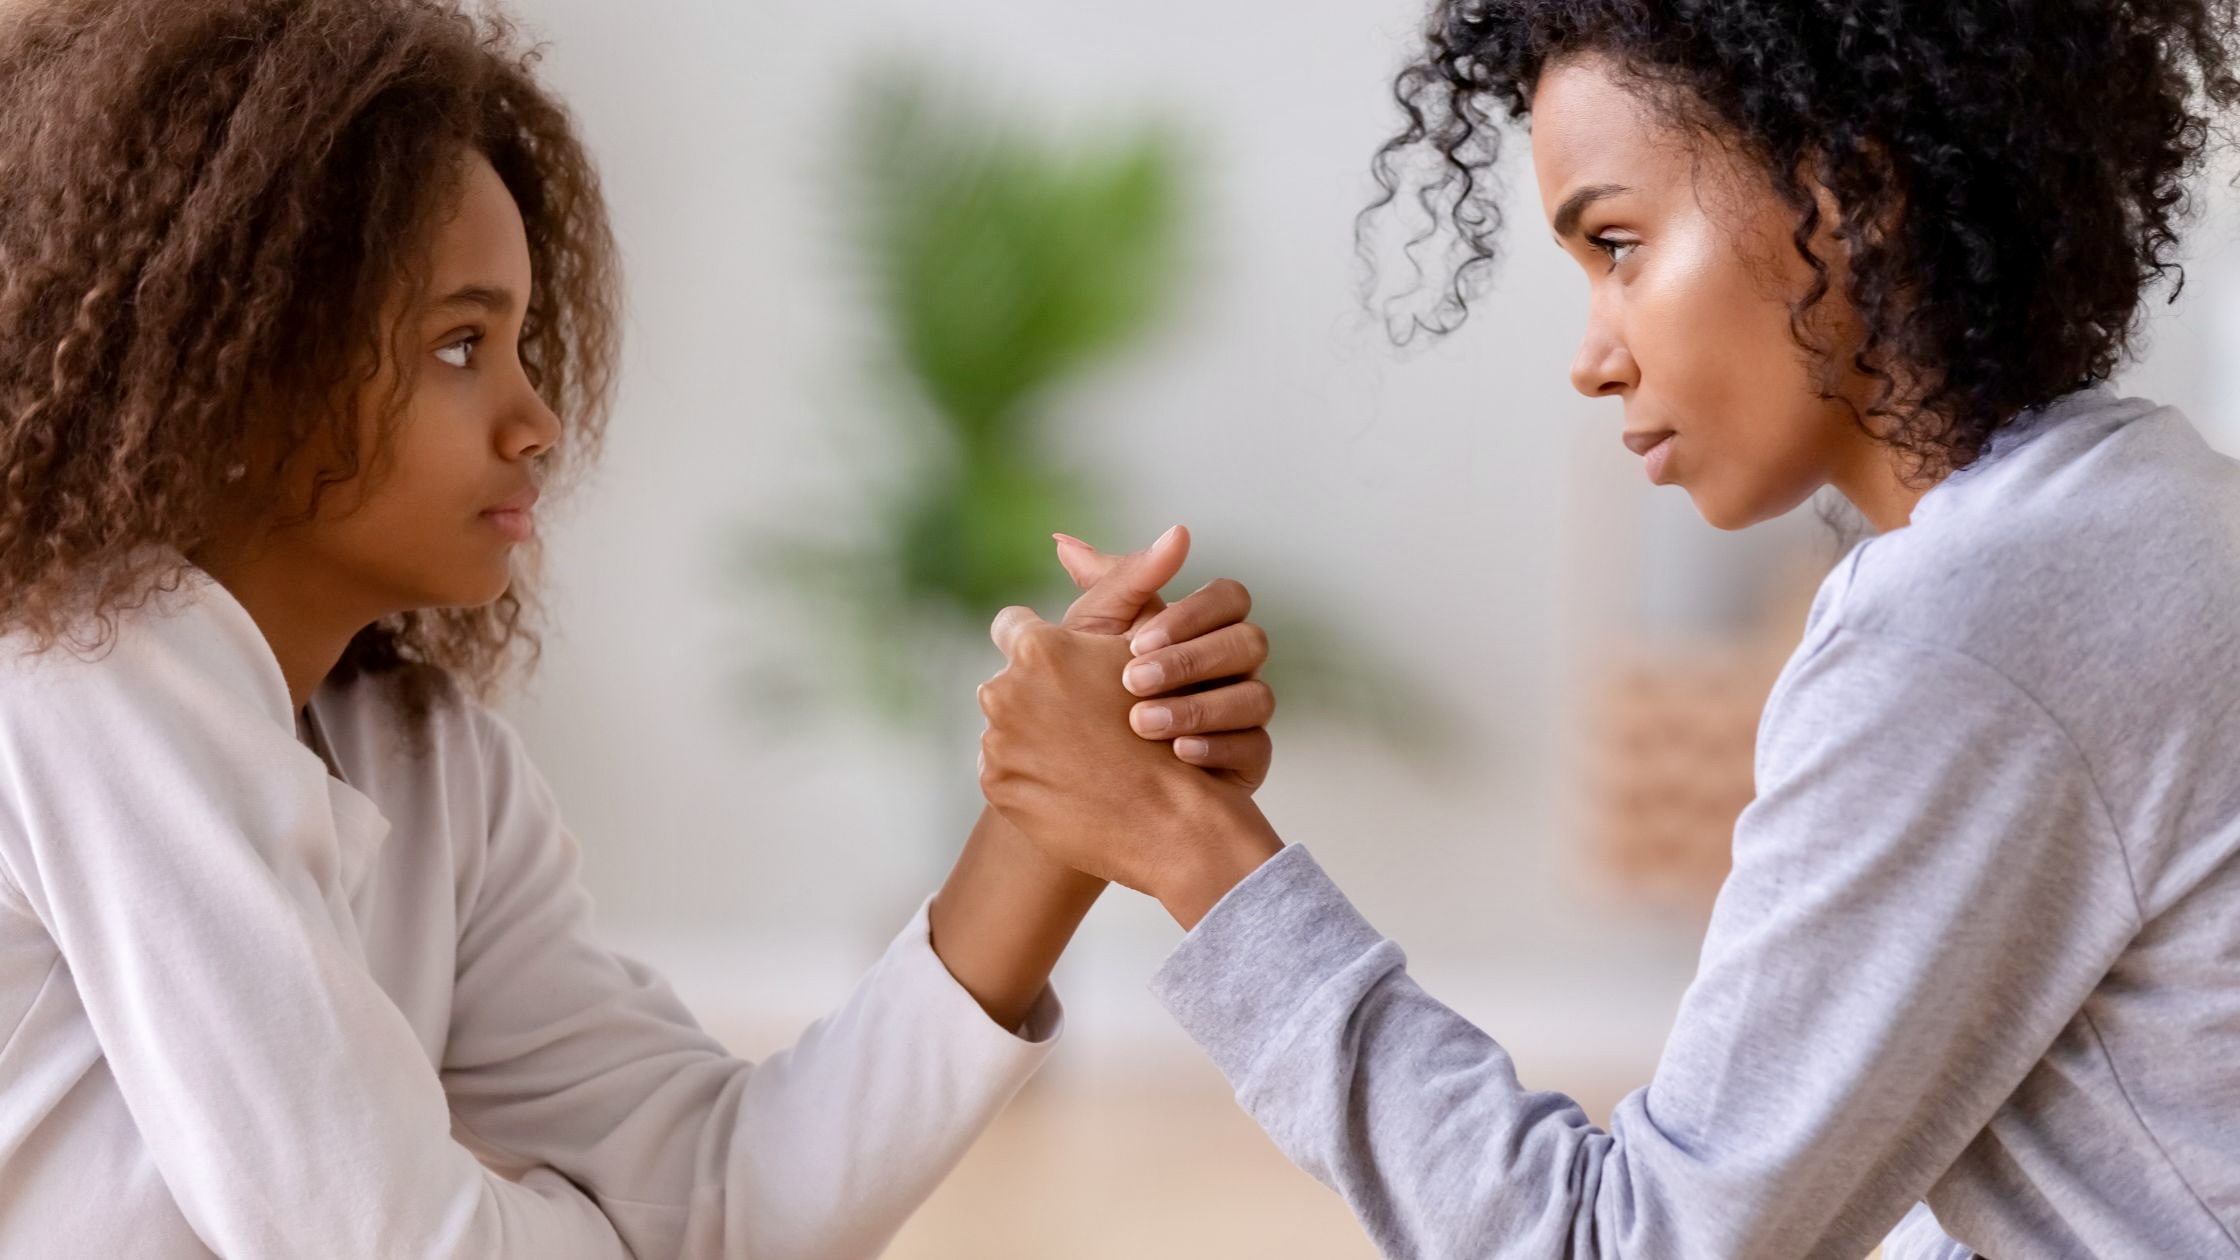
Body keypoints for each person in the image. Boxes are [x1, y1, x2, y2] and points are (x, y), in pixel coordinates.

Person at [0, 2, 1275, 1256]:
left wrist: (1046, 826)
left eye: (515, 338)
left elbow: (726, 1198)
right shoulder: (88, 672)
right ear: (236, 360)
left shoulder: (427, 763)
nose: (536, 417)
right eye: (459, 345)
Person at [975, 0, 2240, 1255]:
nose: (1591, 358)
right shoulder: (2164, 512)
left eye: (1619, 243)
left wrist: (1186, 846)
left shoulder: (1964, 632)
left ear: (1852, 196)